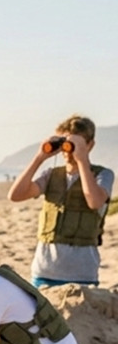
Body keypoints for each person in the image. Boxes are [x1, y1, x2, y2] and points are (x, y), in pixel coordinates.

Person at [7, 114, 113, 287]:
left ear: (90, 145)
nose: (67, 150)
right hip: (44, 271)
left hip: (83, 274)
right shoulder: (51, 175)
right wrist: (39, 157)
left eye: (73, 144)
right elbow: (15, 195)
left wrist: (82, 161)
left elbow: (94, 202)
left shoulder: (103, 175)